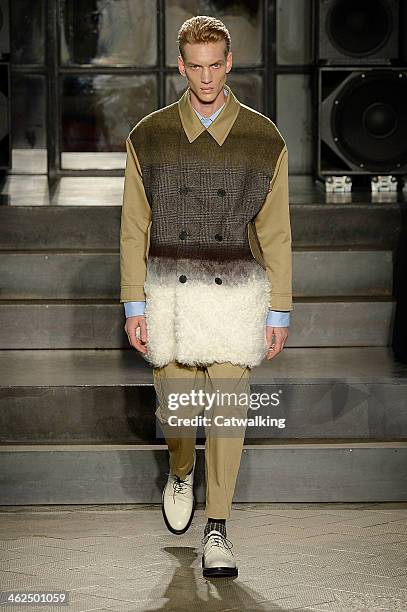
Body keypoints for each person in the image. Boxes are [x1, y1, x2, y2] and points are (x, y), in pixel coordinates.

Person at [120, 15, 292, 578]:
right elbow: (133, 226)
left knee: (225, 407)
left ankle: (217, 528)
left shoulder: (265, 140)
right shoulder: (149, 135)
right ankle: (178, 471)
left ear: (229, 62)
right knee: (176, 407)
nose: (206, 77)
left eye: (215, 65)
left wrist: (279, 307)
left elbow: (275, 232)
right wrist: (133, 303)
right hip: (169, 291)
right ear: (181, 66)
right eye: (195, 66)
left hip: (235, 294)